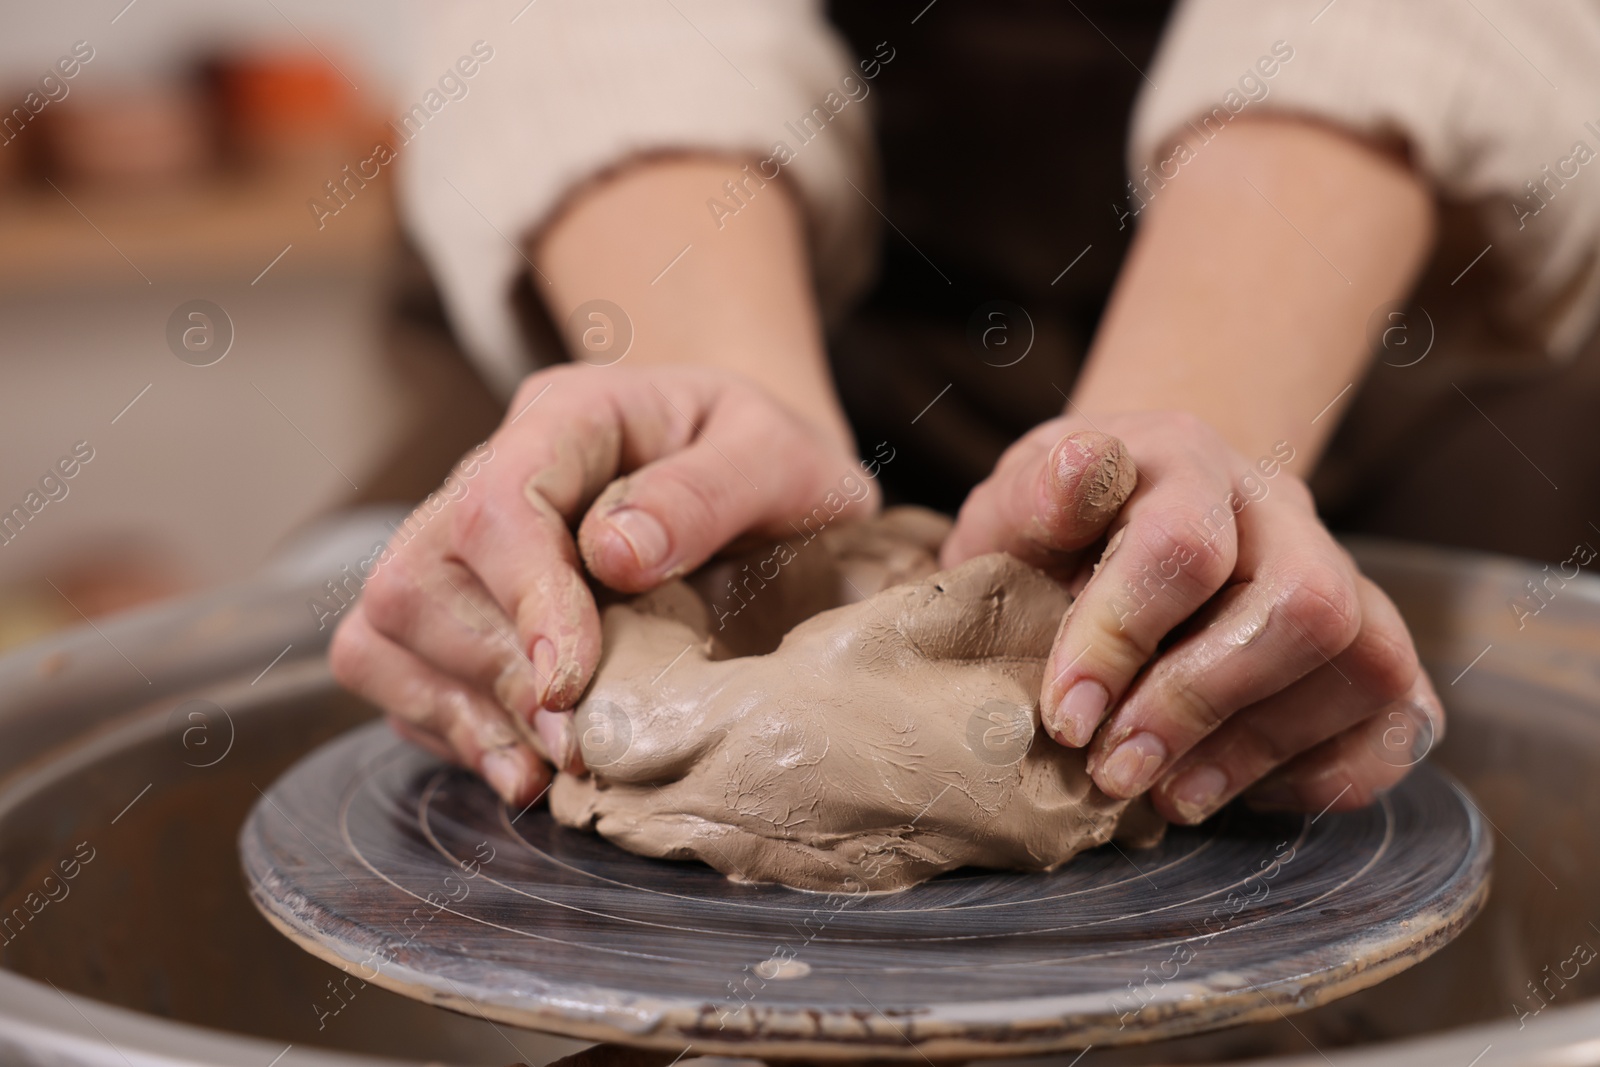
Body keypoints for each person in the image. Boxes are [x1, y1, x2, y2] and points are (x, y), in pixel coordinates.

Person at [330, 1, 1600, 828]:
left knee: (1495, 777)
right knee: (378, 609)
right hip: (673, 251)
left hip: (1347, 299)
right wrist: (718, 401)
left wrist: (1172, 467)